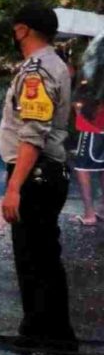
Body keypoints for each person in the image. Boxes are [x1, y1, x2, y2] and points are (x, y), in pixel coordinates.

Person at [0, 3, 78, 355]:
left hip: (35, 173)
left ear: (22, 30)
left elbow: (33, 132)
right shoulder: (56, 63)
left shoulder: (37, 68)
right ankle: (34, 332)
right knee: (32, 258)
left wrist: (14, 186)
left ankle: (55, 343)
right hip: (43, 172)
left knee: (40, 260)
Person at [71, 32, 104, 226]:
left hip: (93, 125)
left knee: (82, 168)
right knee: (102, 168)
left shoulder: (98, 67)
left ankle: (89, 214)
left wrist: (79, 107)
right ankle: (102, 209)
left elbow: (94, 99)